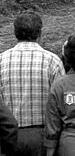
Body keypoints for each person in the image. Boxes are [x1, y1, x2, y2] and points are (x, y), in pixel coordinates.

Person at [0, 12, 65, 156]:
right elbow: (61, 104)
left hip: (8, 135)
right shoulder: (52, 61)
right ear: (40, 33)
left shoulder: (1, 60)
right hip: (43, 136)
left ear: (15, 33)